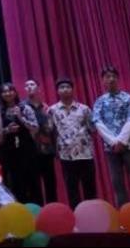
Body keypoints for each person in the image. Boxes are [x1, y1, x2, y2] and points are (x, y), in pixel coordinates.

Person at [92, 66, 130, 207]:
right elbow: (98, 123)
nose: (111, 79)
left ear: (117, 79)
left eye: (113, 76)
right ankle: (123, 213)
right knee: (117, 183)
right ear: (103, 81)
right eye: (107, 77)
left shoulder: (128, 98)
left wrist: (121, 140)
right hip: (111, 149)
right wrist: (113, 142)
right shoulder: (99, 102)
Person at [49, 78, 96, 208]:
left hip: (86, 153)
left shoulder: (84, 109)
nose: (65, 89)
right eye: (62, 87)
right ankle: (76, 214)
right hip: (66, 155)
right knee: (72, 189)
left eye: (68, 87)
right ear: (57, 91)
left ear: (72, 89)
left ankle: (92, 214)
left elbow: (92, 128)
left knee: (90, 187)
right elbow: (51, 131)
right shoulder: (52, 110)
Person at [0, 82, 39, 203]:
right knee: (14, 181)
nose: (7, 93)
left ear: (15, 93)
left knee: (32, 180)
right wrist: (7, 130)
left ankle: (35, 208)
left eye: (10, 90)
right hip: (8, 151)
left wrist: (21, 118)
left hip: (27, 149)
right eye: (4, 92)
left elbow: (35, 127)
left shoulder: (25, 108)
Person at [23, 79, 57, 204]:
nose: (29, 87)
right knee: (34, 185)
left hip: (47, 150)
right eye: (26, 85)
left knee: (50, 183)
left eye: (32, 84)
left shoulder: (46, 108)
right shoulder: (22, 107)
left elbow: (52, 129)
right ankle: (37, 212)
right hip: (30, 151)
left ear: (38, 88)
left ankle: (52, 211)